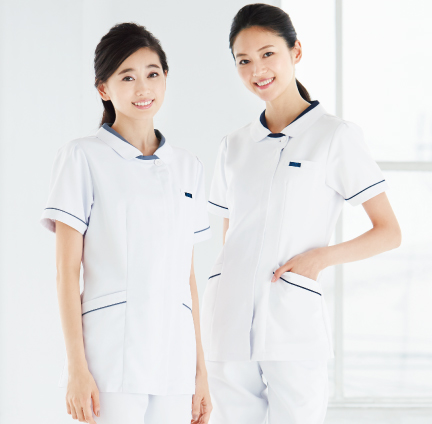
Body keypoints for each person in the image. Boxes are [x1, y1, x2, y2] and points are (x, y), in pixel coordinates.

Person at [201, 4, 402, 424]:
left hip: (291, 320)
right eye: (244, 60)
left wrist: (319, 259)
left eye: (268, 54)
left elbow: (388, 232)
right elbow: (230, 235)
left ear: (295, 51)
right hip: (227, 320)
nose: (257, 70)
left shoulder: (335, 136)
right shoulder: (233, 145)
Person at [40, 22, 212, 424]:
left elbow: (187, 276)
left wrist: (200, 371)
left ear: (165, 77)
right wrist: (76, 369)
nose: (143, 88)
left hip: (174, 361)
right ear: (104, 88)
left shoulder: (188, 166)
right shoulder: (82, 157)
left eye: (152, 74)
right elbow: (67, 272)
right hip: (110, 360)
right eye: (127, 77)